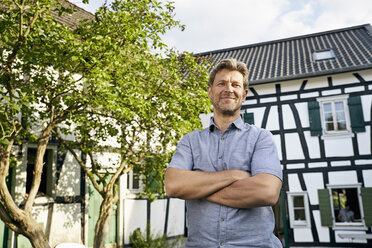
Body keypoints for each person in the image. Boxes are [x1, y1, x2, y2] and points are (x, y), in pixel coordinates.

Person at [165, 58, 283, 248]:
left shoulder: (261, 138)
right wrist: (236, 175)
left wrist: (197, 187)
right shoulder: (190, 141)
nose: (229, 89)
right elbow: (173, 185)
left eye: (235, 84)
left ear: (243, 95)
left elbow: (266, 192)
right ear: (210, 92)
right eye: (221, 83)